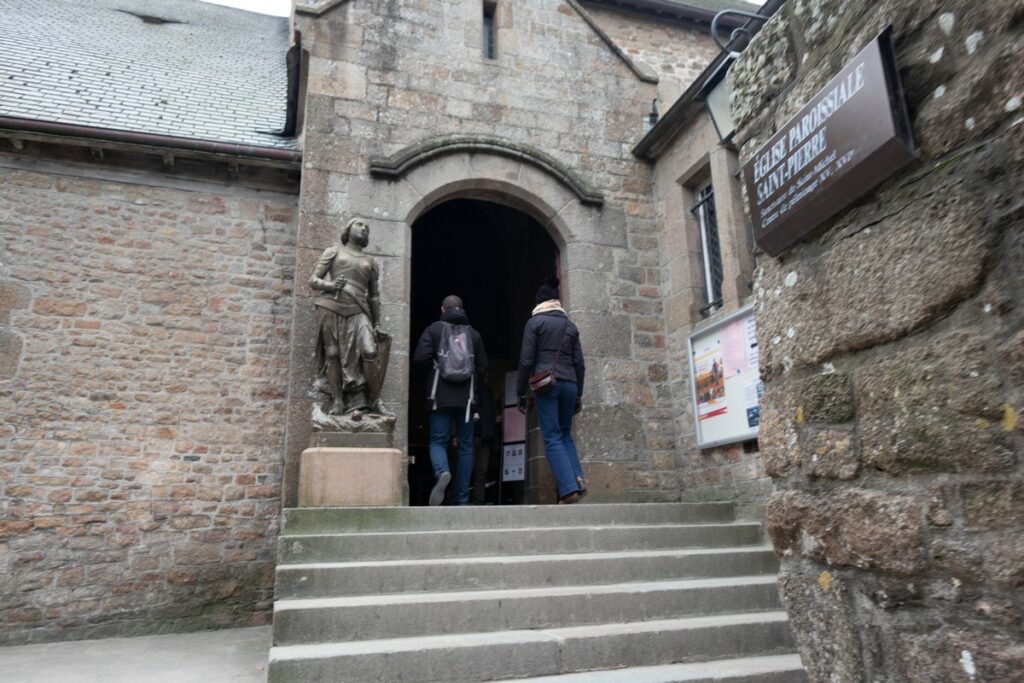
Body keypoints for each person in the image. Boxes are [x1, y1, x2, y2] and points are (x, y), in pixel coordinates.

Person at [516, 276, 586, 504]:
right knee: (565, 434)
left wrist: (520, 391)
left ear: (539, 304)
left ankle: (568, 490)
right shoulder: (570, 326)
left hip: (547, 384)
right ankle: (577, 479)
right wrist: (578, 393)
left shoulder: (535, 324)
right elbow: (580, 363)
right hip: (570, 384)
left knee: (552, 437)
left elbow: (526, 361)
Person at [414, 295, 488, 506]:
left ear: (442, 309)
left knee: (438, 441)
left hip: (439, 397)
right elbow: (483, 367)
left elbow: (420, 357)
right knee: (466, 446)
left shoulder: (434, 329)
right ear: (462, 310)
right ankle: (462, 498)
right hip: (466, 401)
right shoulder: (474, 334)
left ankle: (442, 471)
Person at [309, 217, 385, 416]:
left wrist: (376, 323)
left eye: (367, 227)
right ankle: (337, 401)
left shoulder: (370, 262)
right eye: (359, 224)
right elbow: (314, 280)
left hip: (359, 309)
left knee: (369, 351)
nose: (364, 228)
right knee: (332, 354)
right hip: (331, 306)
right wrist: (331, 285)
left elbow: (374, 296)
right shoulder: (333, 251)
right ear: (348, 229)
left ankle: (375, 400)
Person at [470, 380, 498, 505]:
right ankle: (477, 500)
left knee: (470, 469)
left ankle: (462, 499)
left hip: (477, 435)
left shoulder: (485, 391)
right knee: (480, 471)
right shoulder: (488, 392)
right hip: (483, 436)